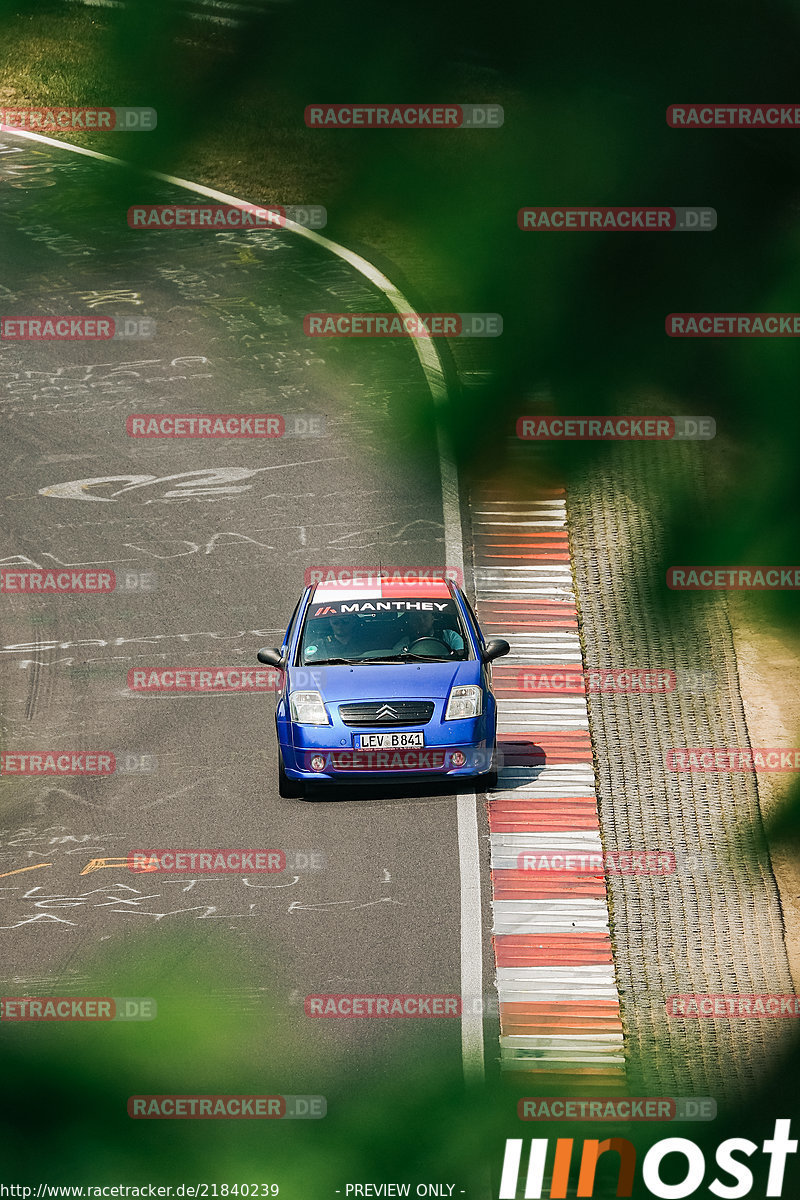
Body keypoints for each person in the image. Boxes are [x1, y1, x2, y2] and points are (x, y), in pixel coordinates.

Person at [391, 608, 464, 655]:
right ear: (410, 622)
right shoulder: (405, 642)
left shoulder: (450, 637)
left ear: (432, 618)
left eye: (425, 616)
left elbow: (461, 655)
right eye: (416, 618)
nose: (421, 622)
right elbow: (395, 655)